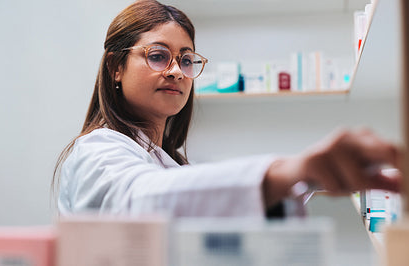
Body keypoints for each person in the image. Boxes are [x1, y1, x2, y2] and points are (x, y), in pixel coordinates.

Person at [52, 0, 402, 218]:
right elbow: (140, 201)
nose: (176, 71)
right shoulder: (96, 150)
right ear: (116, 66)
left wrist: (306, 180)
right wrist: (289, 170)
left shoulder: (166, 162)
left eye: (186, 60)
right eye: (158, 56)